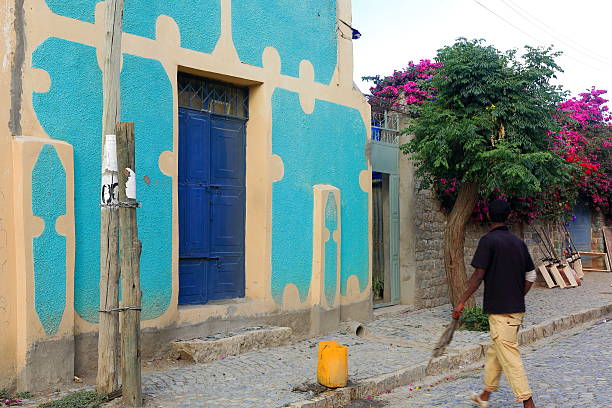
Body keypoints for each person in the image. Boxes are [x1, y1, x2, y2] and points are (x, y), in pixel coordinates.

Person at [452, 199, 537, 408]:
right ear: (508, 217)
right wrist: (519, 294)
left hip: (501, 312)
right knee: (495, 352)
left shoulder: (488, 241)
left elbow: (478, 275)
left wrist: (461, 301)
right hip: (515, 310)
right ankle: (485, 397)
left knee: (508, 355)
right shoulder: (518, 242)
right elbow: (532, 275)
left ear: (488, 216)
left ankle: (528, 402)